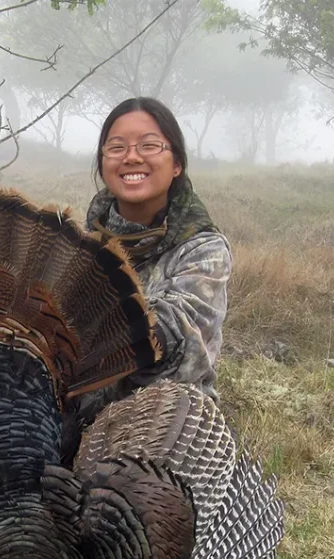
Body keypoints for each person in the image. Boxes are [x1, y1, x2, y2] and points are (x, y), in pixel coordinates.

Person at [77, 96, 231, 423]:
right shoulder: (81, 243)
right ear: (103, 162)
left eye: (149, 145)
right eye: (116, 147)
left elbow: (179, 346)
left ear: (176, 163)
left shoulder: (202, 249)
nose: (132, 157)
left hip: (166, 423)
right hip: (80, 417)